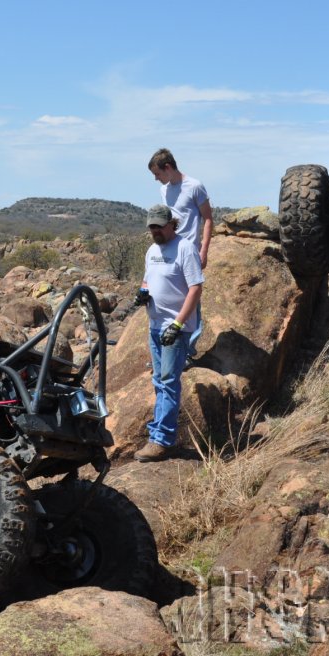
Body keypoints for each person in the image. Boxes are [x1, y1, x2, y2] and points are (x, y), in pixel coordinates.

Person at [134, 204, 204, 462]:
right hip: (155, 326)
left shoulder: (185, 249)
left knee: (168, 382)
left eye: (159, 226)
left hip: (175, 328)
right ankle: (160, 434)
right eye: (151, 226)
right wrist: (142, 292)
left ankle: (162, 440)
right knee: (159, 381)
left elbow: (195, 289)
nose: (154, 231)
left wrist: (178, 324)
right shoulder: (152, 250)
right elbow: (147, 279)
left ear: (171, 224)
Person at [148, 148, 212, 357]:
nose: (157, 179)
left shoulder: (194, 186)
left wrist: (203, 249)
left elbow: (208, 219)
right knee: (170, 295)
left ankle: (188, 348)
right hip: (168, 246)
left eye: (158, 174)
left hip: (189, 248)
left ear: (168, 167)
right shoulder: (165, 190)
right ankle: (170, 348)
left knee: (192, 295)